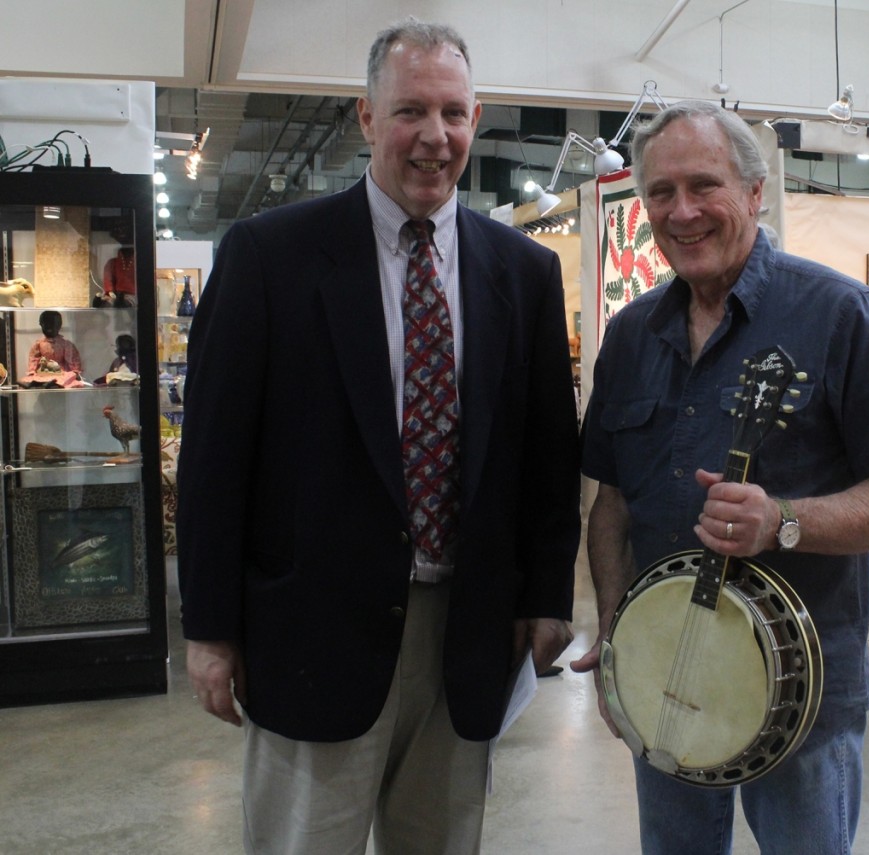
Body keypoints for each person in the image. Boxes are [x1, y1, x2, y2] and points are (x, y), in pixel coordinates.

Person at [175, 17, 580, 855]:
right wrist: (209, 630)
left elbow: (546, 453)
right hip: (312, 633)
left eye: (455, 114)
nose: (435, 137)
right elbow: (213, 460)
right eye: (410, 112)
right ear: (367, 119)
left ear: (476, 120)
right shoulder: (269, 257)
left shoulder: (524, 275)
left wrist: (547, 597)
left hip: (468, 635)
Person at [570, 100, 869, 854]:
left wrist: (784, 520)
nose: (683, 211)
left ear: (754, 191)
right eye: (661, 193)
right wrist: (615, 636)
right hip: (662, 678)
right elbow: (609, 504)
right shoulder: (633, 335)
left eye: (704, 186)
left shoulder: (839, 314)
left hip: (802, 697)